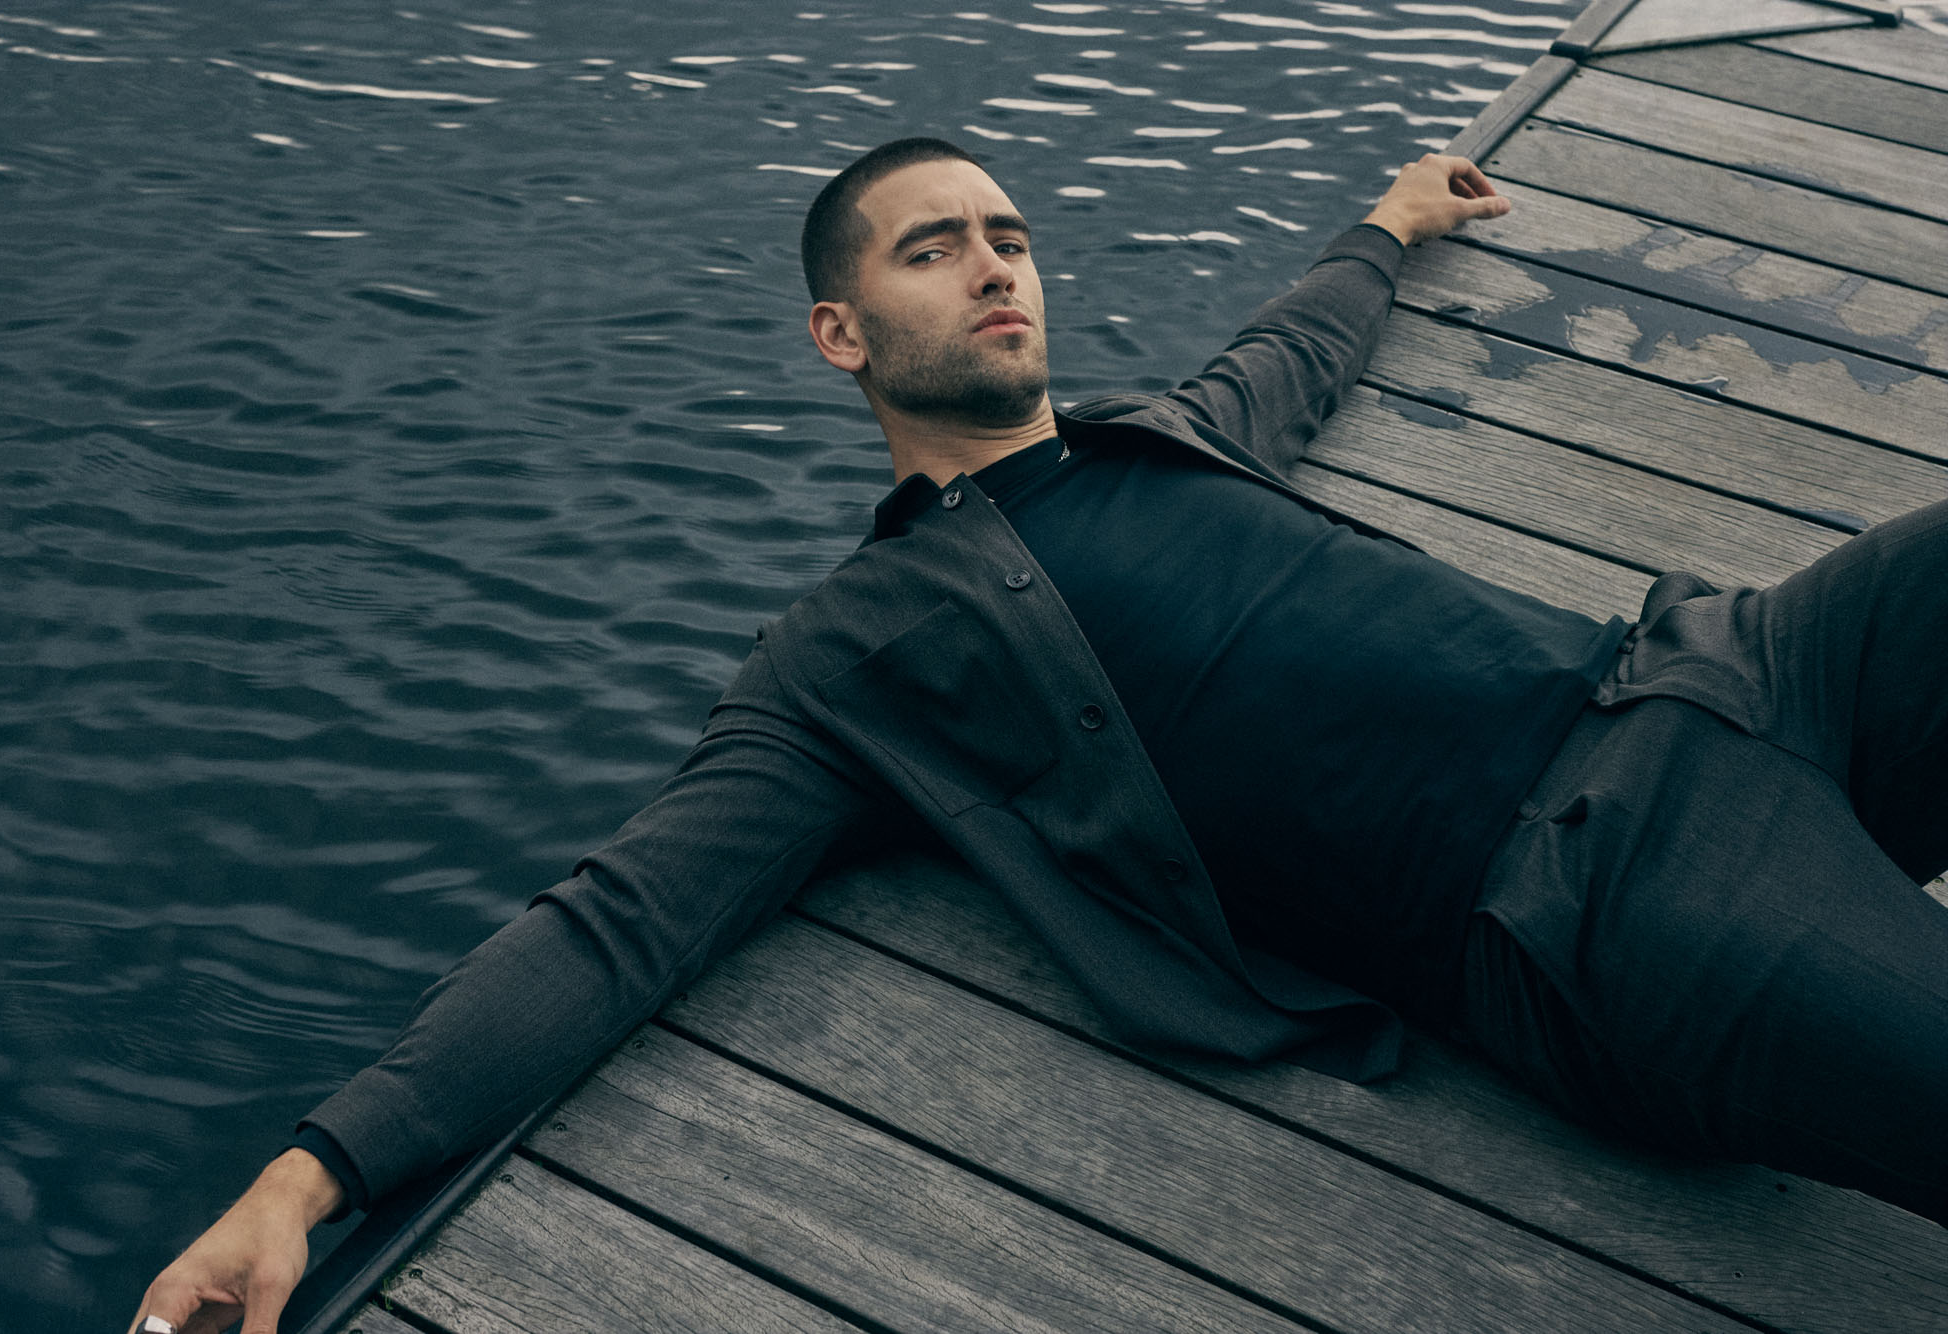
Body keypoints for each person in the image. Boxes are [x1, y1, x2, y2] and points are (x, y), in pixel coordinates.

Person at [132, 137, 1947, 1333]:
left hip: (1732, 670)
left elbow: (1294, 357)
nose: (998, 267)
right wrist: (313, 1172)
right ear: (841, 331)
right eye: (938, 250)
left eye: (1009, 235)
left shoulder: (1159, 430)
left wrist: (1391, 224)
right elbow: (620, 918)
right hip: (1600, 889)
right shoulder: (857, 656)